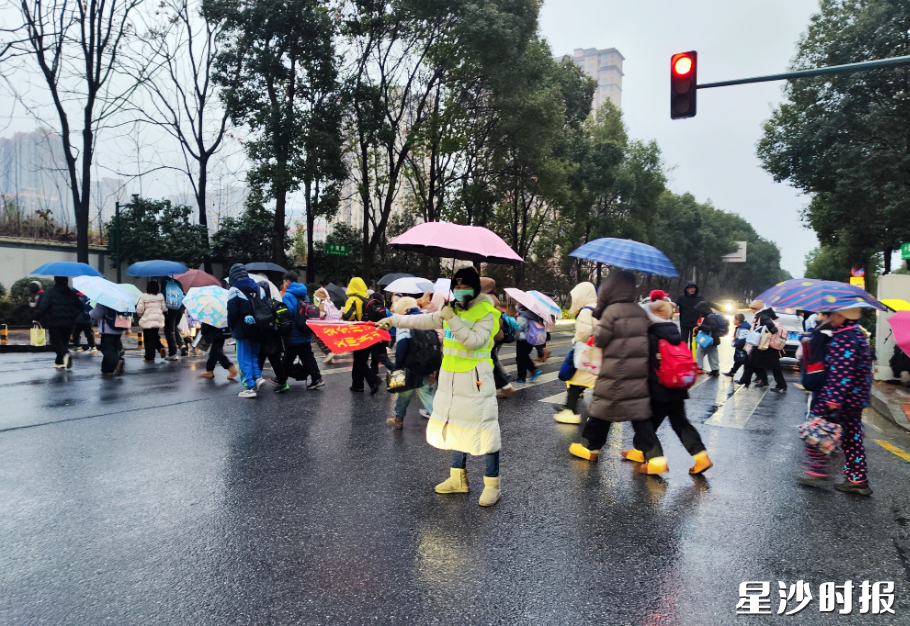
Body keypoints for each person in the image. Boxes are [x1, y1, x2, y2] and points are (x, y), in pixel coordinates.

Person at [376, 267, 503, 506]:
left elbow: (474, 341)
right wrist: (394, 320)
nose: (460, 290)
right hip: (450, 379)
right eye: (457, 286)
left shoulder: (487, 312)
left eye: (466, 286)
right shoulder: (451, 309)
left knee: (485, 429)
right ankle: (457, 478)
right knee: (455, 426)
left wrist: (451, 318)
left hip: (475, 380)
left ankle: (492, 485)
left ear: (476, 288)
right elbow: (422, 320)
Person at [568, 271, 658, 472]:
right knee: (639, 413)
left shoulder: (612, 311)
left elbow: (600, 339)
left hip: (615, 369)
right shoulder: (640, 311)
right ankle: (655, 457)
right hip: (638, 371)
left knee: (602, 409)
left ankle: (590, 448)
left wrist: (599, 323)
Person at [620, 300, 712, 474]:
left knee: (641, 420)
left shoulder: (650, 334)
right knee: (679, 423)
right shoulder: (674, 332)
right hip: (677, 386)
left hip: (657, 388)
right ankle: (701, 457)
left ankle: (656, 460)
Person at [798, 307, 873, 495]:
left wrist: (833, 399)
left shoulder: (844, 338)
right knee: (852, 438)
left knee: (815, 428)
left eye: (831, 314)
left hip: (840, 398)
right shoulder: (856, 334)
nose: (828, 318)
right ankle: (857, 479)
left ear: (840, 315)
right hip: (855, 398)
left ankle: (817, 472)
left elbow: (841, 372)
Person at [385, 296, 435, 429]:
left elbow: (402, 345)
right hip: (425, 363)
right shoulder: (425, 318)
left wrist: (398, 366)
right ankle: (441, 420)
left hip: (410, 365)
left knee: (405, 393)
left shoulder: (405, 321)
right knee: (424, 393)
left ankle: (398, 420)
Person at [554, 281, 598, 424]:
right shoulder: (600, 308)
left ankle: (570, 411)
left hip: (586, 352)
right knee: (592, 381)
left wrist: (576, 341)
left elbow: (584, 332)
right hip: (597, 351)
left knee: (574, 379)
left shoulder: (586, 310)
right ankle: (571, 408)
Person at [227, 264, 267, 398]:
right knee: (254, 355)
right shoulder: (259, 288)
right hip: (258, 328)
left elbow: (232, 312)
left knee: (244, 358)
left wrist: (231, 326)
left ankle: (249, 387)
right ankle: (258, 377)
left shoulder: (234, 290)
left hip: (242, 329)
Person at [281, 272, 324, 390]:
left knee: (287, 358)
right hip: (305, 330)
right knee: (308, 357)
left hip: (293, 333)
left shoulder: (287, 295)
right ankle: (317, 378)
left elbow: (288, 313)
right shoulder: (304, 294)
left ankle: (281, 379)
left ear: (288, 281)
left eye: (284, 281)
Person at [737, 300, 787, 393]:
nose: (751, 310)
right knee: (755, 362)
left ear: (756, 309)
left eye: (752, 308)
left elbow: (771, 327)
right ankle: (762, 381)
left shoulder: (762, 316)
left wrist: (761, 332)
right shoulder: (761, 315)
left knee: (761, 364)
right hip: (764, 345)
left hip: (767, 345)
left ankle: (779, 384)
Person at [34, 276, 83, 369]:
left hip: (54, 322)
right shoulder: (72, 293)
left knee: (55, 342)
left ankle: (66, 353)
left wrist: (36, 317)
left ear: (55, 280)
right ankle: (59, 362)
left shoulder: (50, 292)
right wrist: (73, 315)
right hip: (69, 322)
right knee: (64, 342)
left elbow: (43, 306)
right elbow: (80, 307)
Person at [343, 277, 381, 394]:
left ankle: (373, 380)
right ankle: (357, 384)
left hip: (357, 333)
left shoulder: (353, 299)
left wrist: (342, 313)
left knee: (359, 361)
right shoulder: (369, 298)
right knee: (361, 359)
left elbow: (347, 316)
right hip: (370, 332)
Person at [480, 277, 514, 398]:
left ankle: (505, 386)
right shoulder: (491, 298)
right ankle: (502, 385)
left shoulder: (485, 300)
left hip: (489, 336)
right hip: (493, 335)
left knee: (490, 362)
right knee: (491, 361)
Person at [90, 303, 125, 377]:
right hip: (119, 328)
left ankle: (117, 361)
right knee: (114, 349)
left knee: (107, 349)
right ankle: (107, 370)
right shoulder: (121, 300)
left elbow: (97, 314)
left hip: (107, 329)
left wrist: (90, 312)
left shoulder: (103, 301)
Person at [136, 281, 167, 362]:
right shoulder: (160, 297)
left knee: (148, 339)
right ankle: (160, 347)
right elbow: (164, 308)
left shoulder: (144, 297)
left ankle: (149, 357)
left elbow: (139, 310)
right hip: (157, 320)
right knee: (155, 336)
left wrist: (141, 314)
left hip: (147, 320)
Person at [514, 303, 543, 383]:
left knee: (520, 359)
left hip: (523, 340)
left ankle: (521, 378)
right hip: (530, 340)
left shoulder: (523, 316)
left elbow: (517, 328)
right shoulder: (533, 315)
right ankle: (533, 370)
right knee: (524, 357)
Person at [676, 281, 706, 350]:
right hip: (684, 323)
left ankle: (693, 355)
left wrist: (720, 308)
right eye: (690, 288)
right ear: (687, 289)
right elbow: (674, 304)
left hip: (695, 324)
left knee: (694, 343)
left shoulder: (699, 297)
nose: (692, 289)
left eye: (694, 288)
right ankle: (684, 355)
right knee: (684, 342)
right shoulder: (681, 298)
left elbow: (707, 304)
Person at [693, 301, 721, 376]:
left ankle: (699, 367)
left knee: (700, 352)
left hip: (708, 339)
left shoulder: (710, 317)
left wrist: (701, 326)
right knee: (713, 353)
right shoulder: (711, 316)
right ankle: (715, 369)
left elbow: (712, 328)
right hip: (713, 339)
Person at [312, 286, 337, 364]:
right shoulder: (330, 302)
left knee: (319, 340)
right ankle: (330, 358)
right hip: (333, 325)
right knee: (328, 341)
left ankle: (329, 353)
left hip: (324, 326)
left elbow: (322, 314)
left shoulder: (323, 304)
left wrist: (315, 315)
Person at [724, 313, 751, 378]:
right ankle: (732, 372)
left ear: (738, 320)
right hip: (742, 348)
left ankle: (759, 377)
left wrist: (735, 344)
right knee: (739, 361)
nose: (733, 321)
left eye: (734, 319)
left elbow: (742, 339)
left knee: (745, 362)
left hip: (743, 348)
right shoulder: (741, 327)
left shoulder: (743, 328)